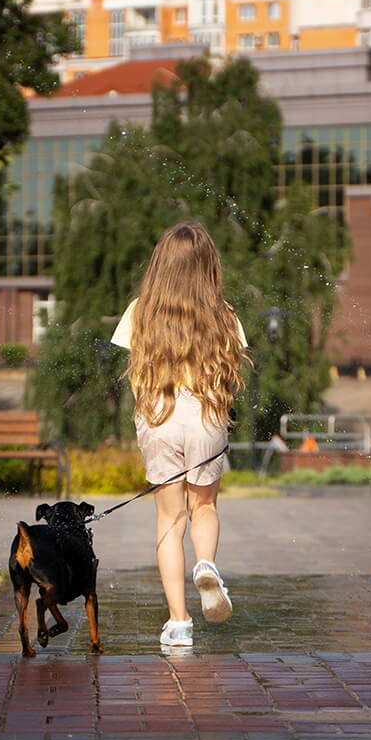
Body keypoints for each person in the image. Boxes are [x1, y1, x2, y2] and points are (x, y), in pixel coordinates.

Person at [111, 221, 248, 649]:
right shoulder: (223, 315)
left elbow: (134, 366)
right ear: (209, 267)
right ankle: (205, 564)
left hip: (159, 413)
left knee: (169, 521)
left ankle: (179, 622)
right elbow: (231, 373)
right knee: (203, 506)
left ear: (160, 266)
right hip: (205, 416)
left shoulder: (140, 311)